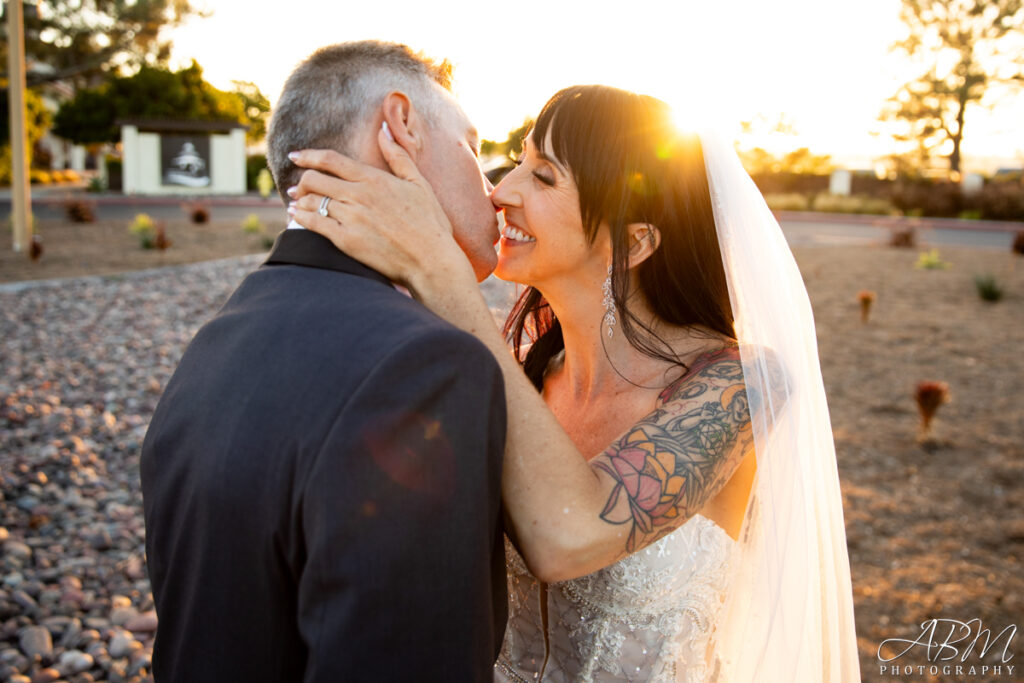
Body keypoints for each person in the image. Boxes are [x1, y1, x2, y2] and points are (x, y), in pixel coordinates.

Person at [289, 85, 861, 681]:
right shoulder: (525, 373)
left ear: (635, 241)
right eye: (518, 161)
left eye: (544, 177)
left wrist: (440, 271)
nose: (502, 192)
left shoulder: (738, 385)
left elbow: (568, 536)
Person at [140, 41, 508, 682]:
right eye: (474, 150)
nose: (494, 189)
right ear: (401, 127)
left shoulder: (220, 339)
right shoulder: (424, 365)